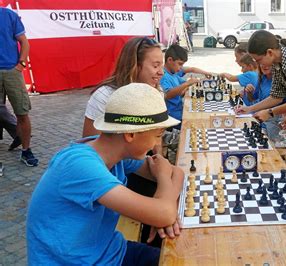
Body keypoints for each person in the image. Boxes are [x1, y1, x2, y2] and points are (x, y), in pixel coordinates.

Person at [27, 83, 184, 265]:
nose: (157, 144)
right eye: (157, 135)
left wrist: (163, 205)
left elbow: (177, 173)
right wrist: (163, 190)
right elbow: (165, 211)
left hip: (111, 252)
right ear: (131, 135)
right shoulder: (81, 166)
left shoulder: (113, 150)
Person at [83, 37, 163, 138]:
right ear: (135, 65)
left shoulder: (157, 92)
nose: (161, 72)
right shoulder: (104, 97)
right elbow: (89, 142)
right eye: (156, 66)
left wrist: (158, 153)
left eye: (162, 66)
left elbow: (156, 135)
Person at [0, 7, 38, 166]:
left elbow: (24, 42)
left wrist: (20, 65)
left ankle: (26, 151)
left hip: (11, 71)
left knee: (22, 113)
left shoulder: (8, 15)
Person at [160, 44, 212, 162]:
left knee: (204, 116)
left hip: (179, 112)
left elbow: (182, 91)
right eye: (179, 64)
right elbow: (167, 95)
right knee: (201, 123)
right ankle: (194, 158)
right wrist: (187, 84)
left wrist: (198, 81)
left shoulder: (173, 74)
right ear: (169, 60)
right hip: (173, 118)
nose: (180, 68)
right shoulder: (164, 76)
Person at [238, 63, 286, 142]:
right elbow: (252, 99)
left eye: (267, 63)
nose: (264, 65)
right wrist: (249, 91)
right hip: (260, 123)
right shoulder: (262, 78)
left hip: (274, 128)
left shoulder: (281, 82)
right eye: (261, 63)